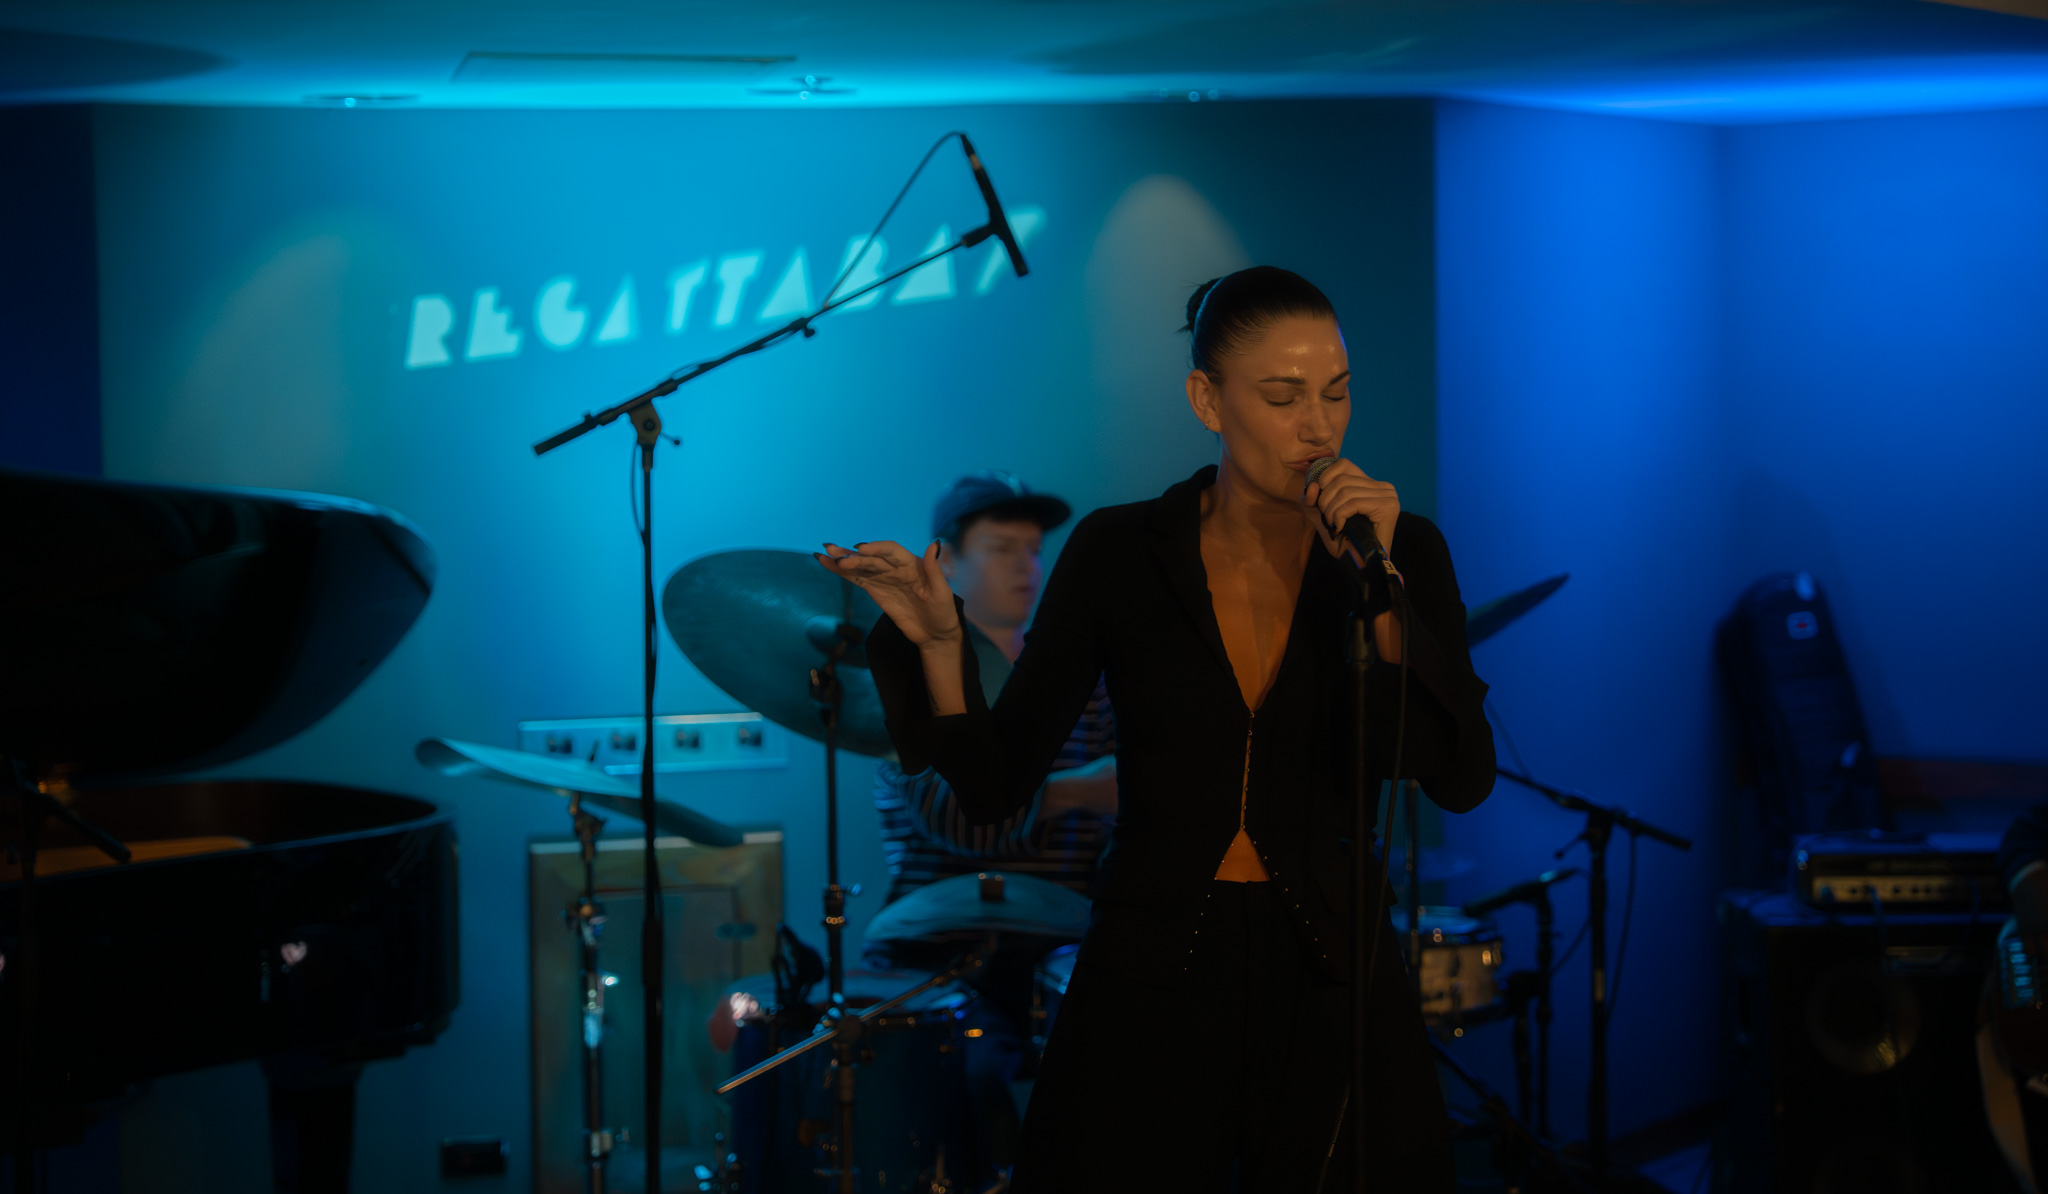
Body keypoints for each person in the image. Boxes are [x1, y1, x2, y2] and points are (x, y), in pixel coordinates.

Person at [819, 266, 1494, 1192]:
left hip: (1330, 962)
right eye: (1283, 396)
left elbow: (1459, 775)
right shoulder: (1121, 551)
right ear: (1207, 400)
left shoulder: (1400, 550)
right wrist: (940, 643)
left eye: (1336, 393)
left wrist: (1383, 601)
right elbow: (993, 783)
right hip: (1155, 954)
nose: (1319, 427)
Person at [864, 469, 1118, 1183]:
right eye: (1003, 548)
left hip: (1062, 949)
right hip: (937, 953)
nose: (1027, 566)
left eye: (1034, 549)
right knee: (981, 1085)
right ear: (945, 561)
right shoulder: (908, 680)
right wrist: (1075, 790)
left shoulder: (1086, 684)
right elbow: (963, 821)